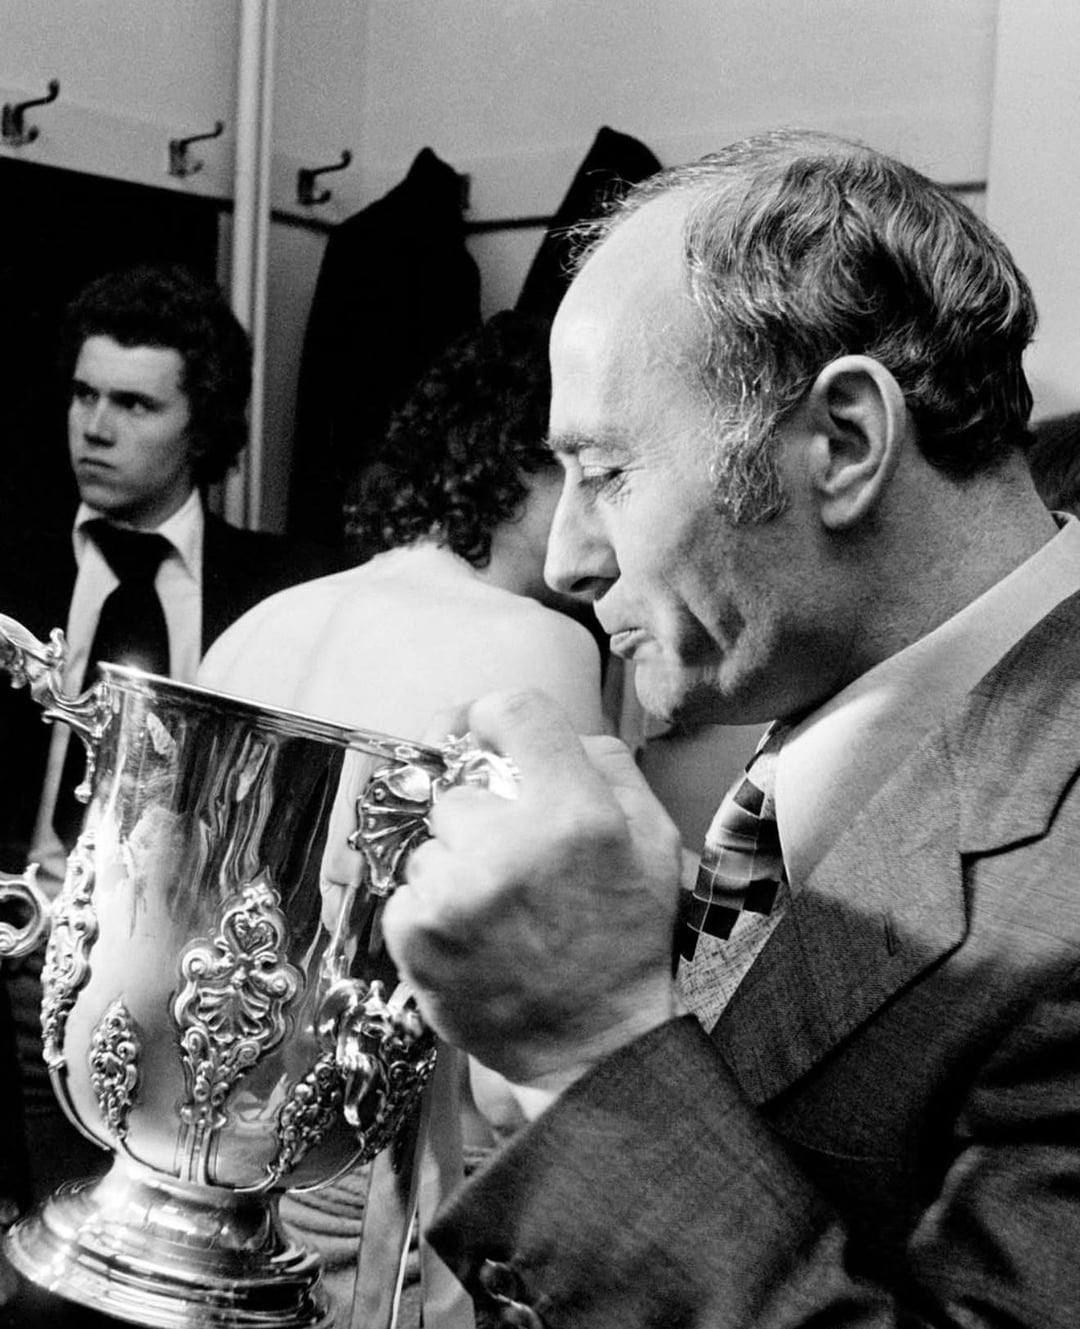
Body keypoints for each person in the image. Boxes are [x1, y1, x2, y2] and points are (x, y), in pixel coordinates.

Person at [372, 130, 1080, 1327]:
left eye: (606, 473)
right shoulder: (815, 741)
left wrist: (589, 1055)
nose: (566, 560)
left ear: (844, 443)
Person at [198, 309, 606, 1328]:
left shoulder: (264, 620)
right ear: (523, 462)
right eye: (588, 472)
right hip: (384, 1186)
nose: (598, 531)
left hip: (211, 1159)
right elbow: (556, 963)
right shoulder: (539, 648)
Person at [0, 262, 336, 1292]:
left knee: (161, 1280)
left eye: (135, 404)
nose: (94, 428)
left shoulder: (281, 590)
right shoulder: (12, 560)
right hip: (17, 948)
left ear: (203, 425)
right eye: (83, 394)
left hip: (187, 990)